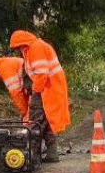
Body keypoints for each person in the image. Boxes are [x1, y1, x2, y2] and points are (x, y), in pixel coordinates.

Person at [9, 30, 70, 162]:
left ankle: (34, 156)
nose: (18, 50)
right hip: (52, 86)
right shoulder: (35, 46)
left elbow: (42, 73)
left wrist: (35, 90)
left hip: (46, 87)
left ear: (22, 43)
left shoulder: (35, 48)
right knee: (47, 120)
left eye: (18, 47)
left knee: (35, 119)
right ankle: (52, 153)